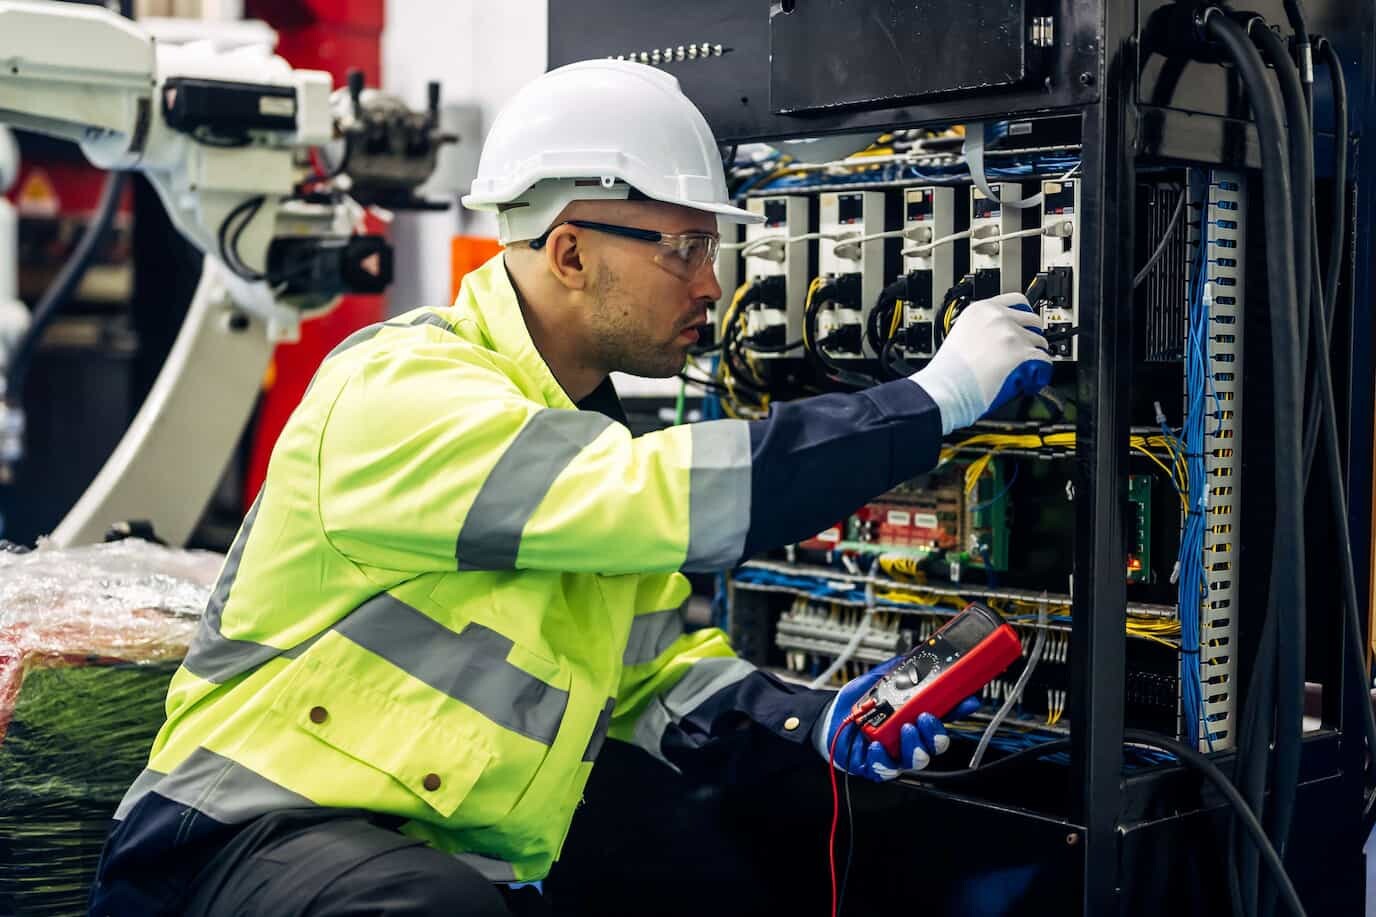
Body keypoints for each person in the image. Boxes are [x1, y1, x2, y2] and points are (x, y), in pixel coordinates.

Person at [89, 59, 1051, 916]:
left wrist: (814, 720)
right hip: (235, 843)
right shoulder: (403, 389)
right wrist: (932, 401)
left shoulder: (582, 433)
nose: (711, 285)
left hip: (442, 857)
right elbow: (657, 497)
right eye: (682, 247)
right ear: (570, 250)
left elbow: (649, 673)